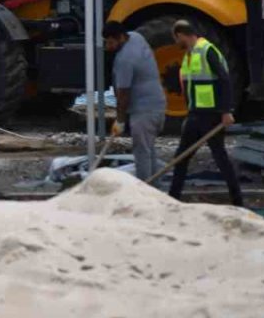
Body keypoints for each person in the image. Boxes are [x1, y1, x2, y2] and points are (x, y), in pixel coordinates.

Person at [167, 20, 244, 206]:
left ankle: (237, 200)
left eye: (176, 38)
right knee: (181, 157)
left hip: (212, 115)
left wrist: (226, 111)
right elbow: (190, 86)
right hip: (195, 115)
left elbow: (225, 80)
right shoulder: (190, 55)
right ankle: (172, 198)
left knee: (220, 157)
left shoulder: (207, 50)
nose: (176, 42)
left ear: (181, 35)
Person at [103, 20, 167, 181]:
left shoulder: (125, 59)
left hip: (144, 111)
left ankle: (144, 190)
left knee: (141, 153)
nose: (107, 47)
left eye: (110, 42)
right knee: (148, 149)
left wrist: (119, 120)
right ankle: (154, 188)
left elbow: (123, 94)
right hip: (157, 105)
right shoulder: (136, 36)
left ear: (120, 38)